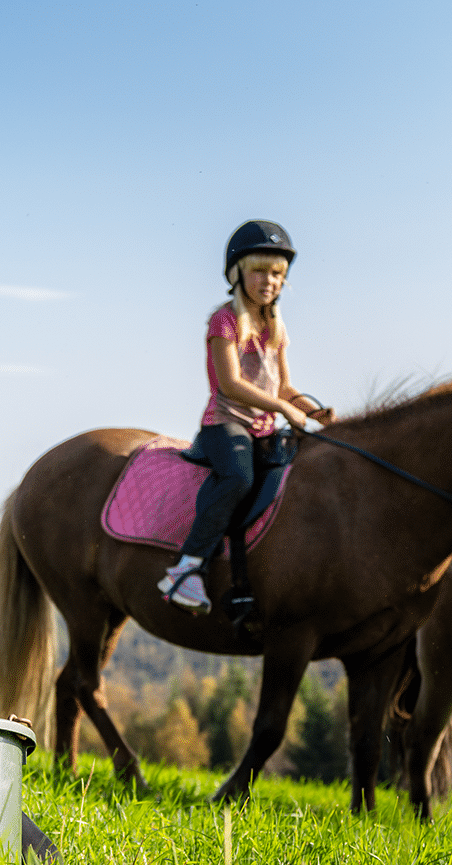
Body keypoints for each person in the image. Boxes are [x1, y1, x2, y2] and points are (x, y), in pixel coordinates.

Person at [158, 220, 329, 613]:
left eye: (277, 274)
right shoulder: (225, 321)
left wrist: (314, 411)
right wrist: (284, 409)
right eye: (259, 271)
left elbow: (284, 386)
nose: (268, 281)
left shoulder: (276, 327)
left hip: (264, 427)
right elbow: (230, 384)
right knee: (238, 477)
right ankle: (186, 567)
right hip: (226, 424)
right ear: (237, 274)